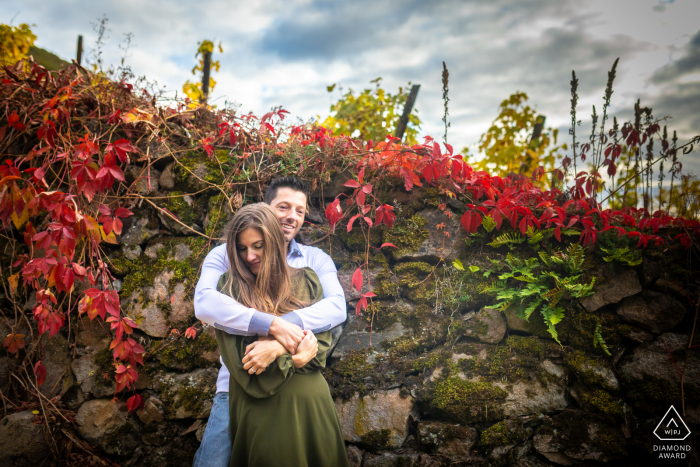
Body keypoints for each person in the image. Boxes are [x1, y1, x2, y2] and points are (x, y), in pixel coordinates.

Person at [193, 177, 347, 466]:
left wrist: (278, 338)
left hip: (301, 391)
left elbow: (336, 309)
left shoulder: (313, 262)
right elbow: (205, 303)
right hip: (237, 387)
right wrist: (272, 325)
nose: (292, 216)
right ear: (266, 209)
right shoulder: (229, 258)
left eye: (299, 211)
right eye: (284, 206)